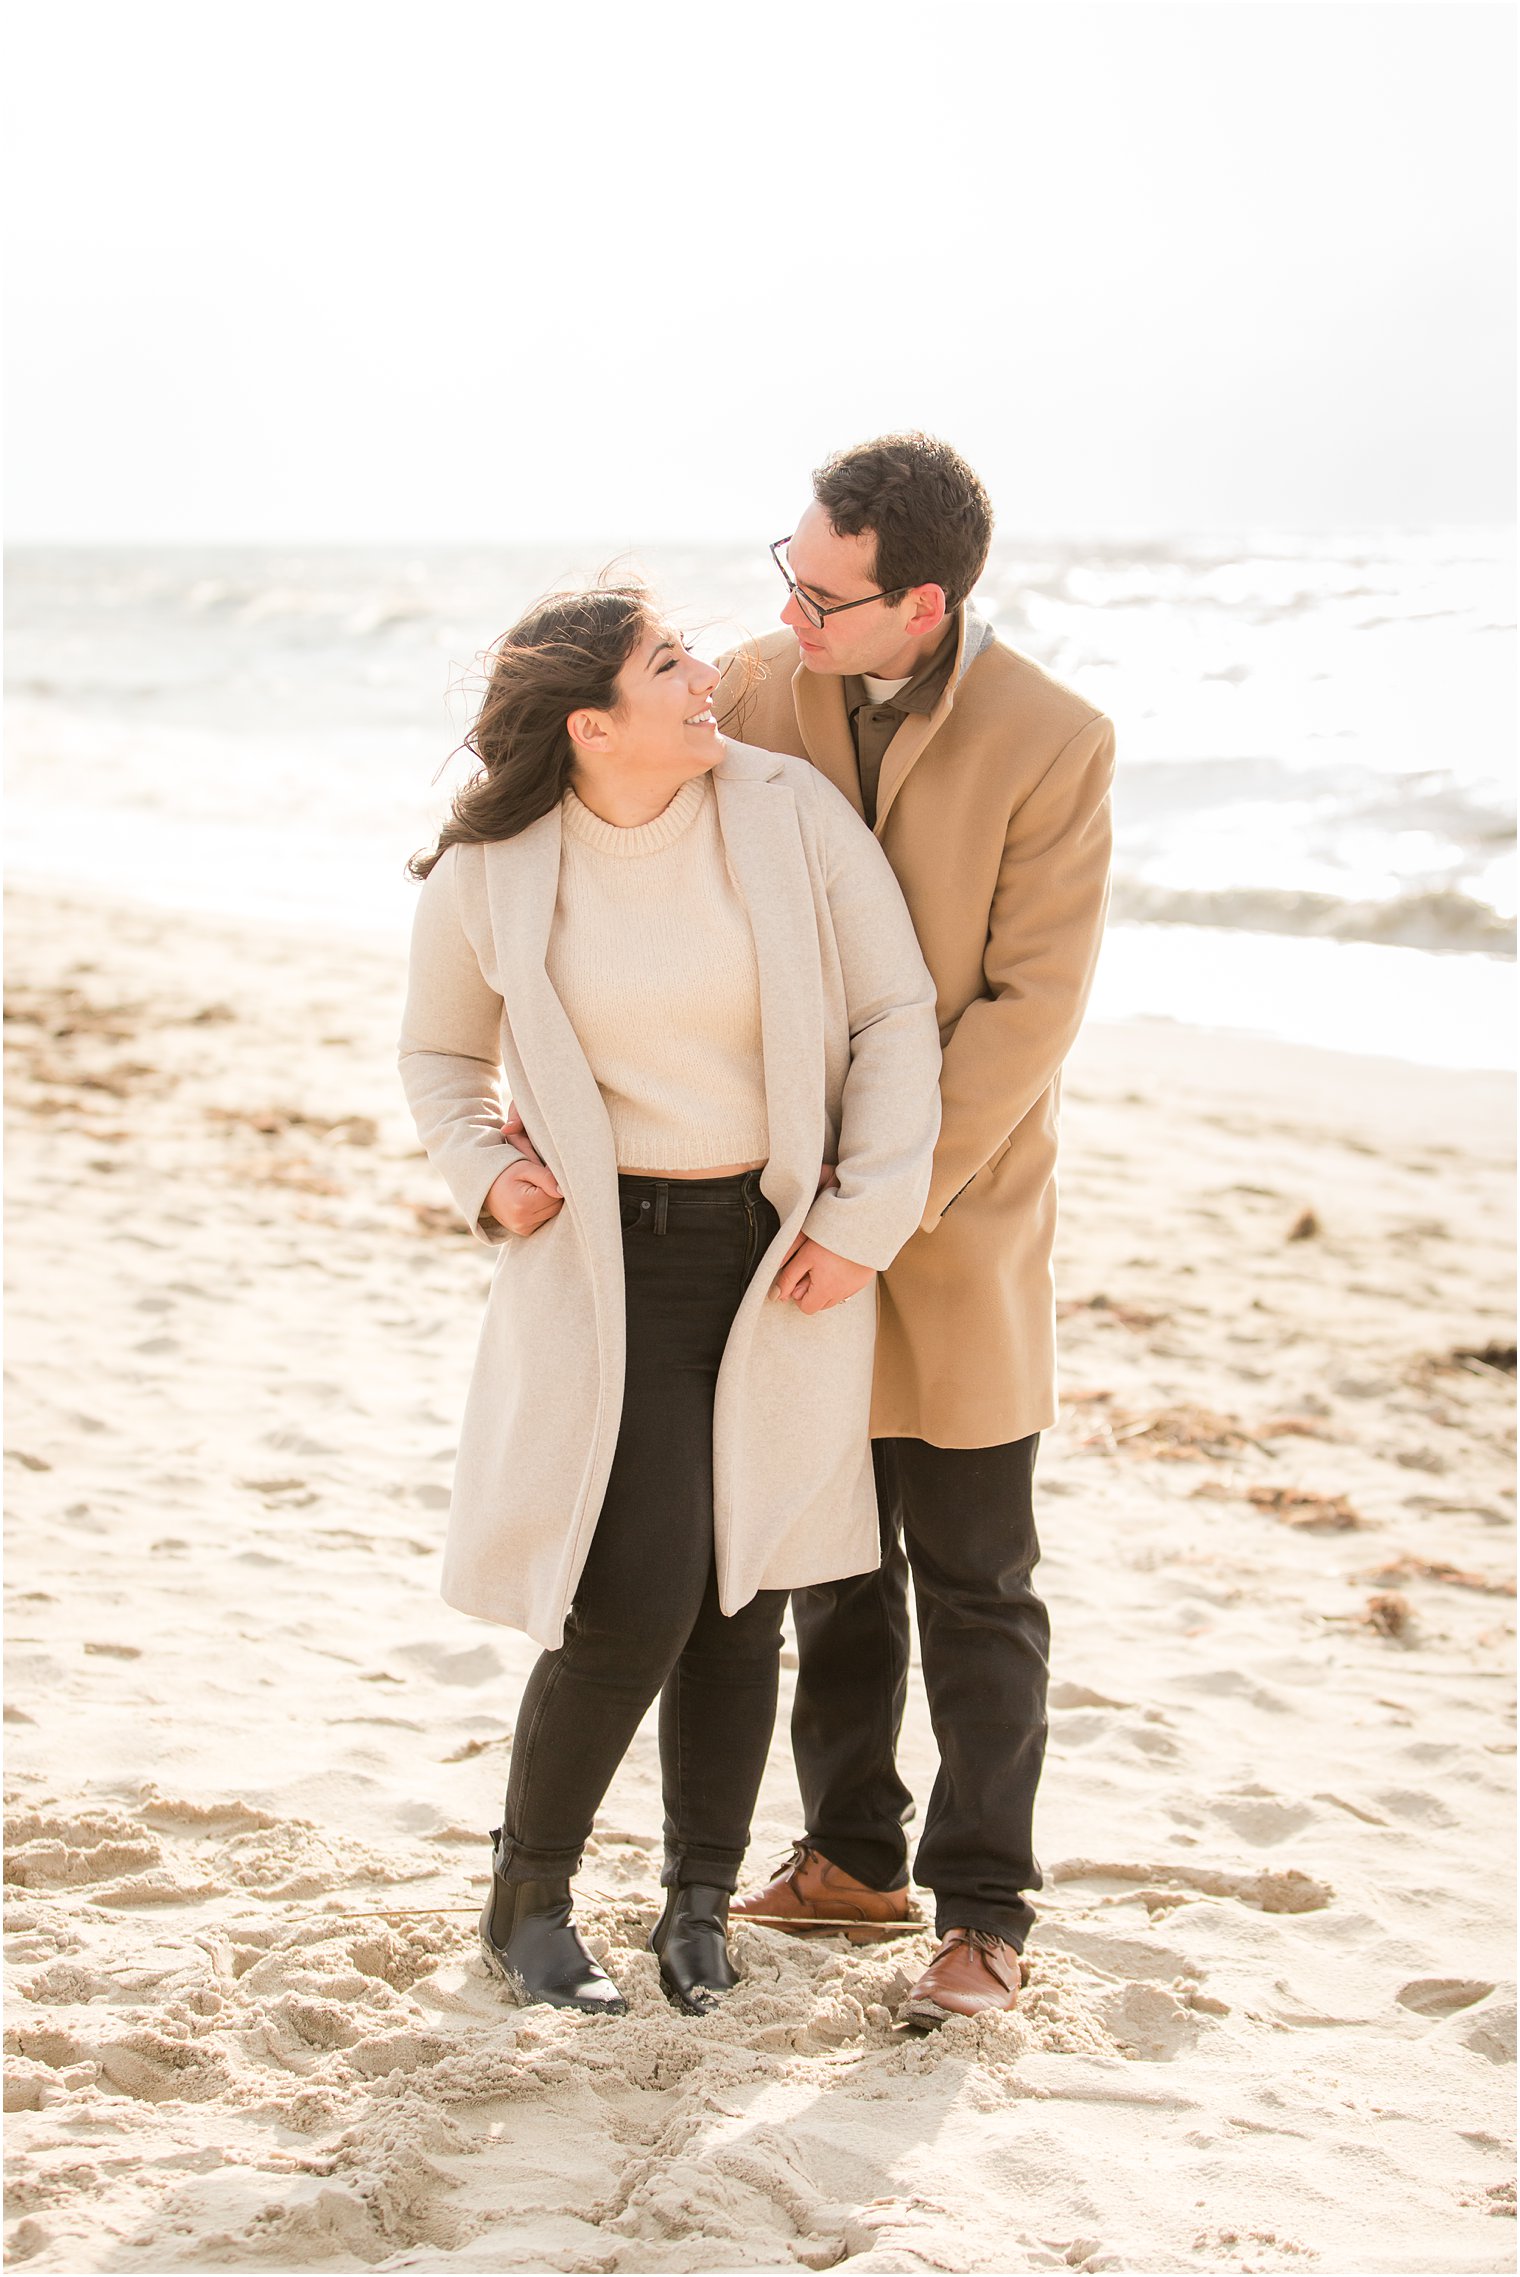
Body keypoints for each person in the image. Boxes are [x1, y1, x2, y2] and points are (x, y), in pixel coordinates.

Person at [399, 582, 941, 2019]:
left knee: (738, 1585)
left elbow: (893, 1014)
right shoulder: (496, 868)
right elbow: (440, 1058)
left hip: (774, 1252)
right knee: (628, 1593)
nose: (710, 674)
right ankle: (530, 1891)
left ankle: (698, 1905)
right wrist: (487, 1175)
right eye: (670, 661)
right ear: (593, 723)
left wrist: (863, 1214)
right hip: (603, 1264)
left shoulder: (785, 811)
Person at [712, 434, 1115, 2029]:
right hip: (786, 1205)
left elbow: (1033, 1011)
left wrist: (887, 1205)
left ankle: (985, 1913)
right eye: (787, 574)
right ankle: (850, 1856)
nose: (794, 609)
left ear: (923, 602)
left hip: (958, 1213)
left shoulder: (1056, 740)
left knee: (975, 1571)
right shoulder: (754, 686)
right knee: (829, 1565)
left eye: (826, 591)